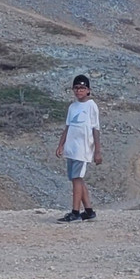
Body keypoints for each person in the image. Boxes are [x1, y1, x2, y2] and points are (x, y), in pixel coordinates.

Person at [54, 74, 102, 221]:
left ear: (88, 90)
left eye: (82, 88)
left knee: (77, 178)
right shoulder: (72, 107)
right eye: (76, 88)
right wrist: (61, 144)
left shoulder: (91, 106)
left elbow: (96, 129)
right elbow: (67, 127)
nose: (79, 91)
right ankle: (88, 211)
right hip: (71, 148)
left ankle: (75, 212)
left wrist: (97, 151)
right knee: (77, 179)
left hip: (83, 149)